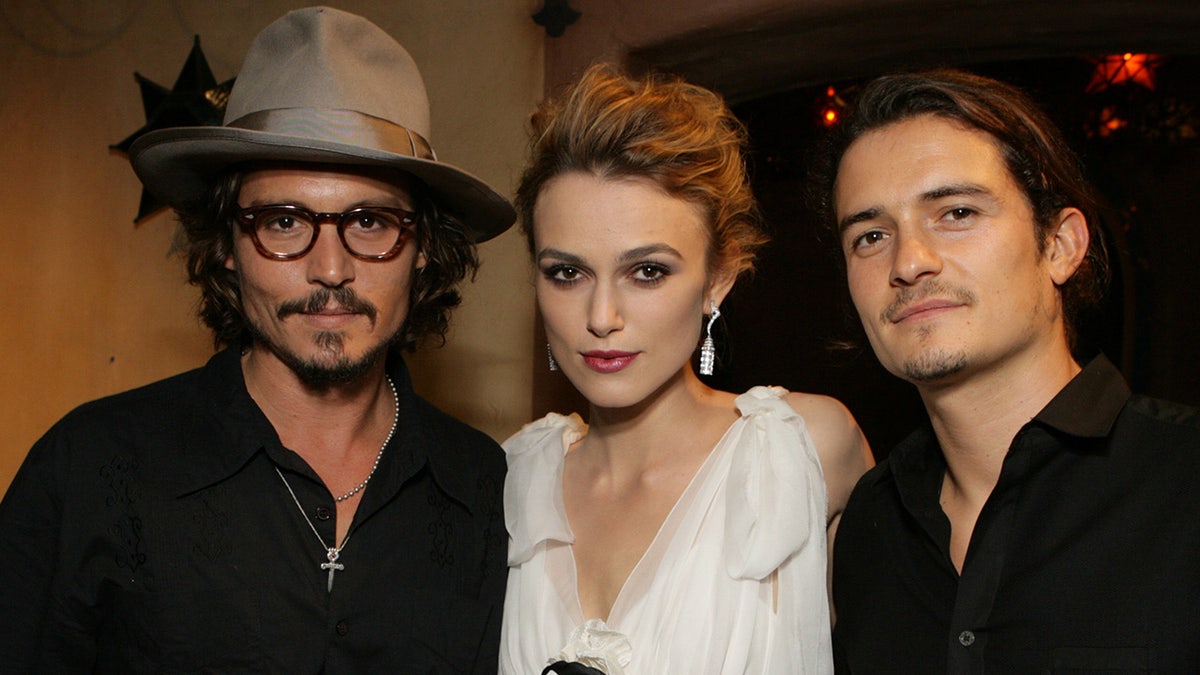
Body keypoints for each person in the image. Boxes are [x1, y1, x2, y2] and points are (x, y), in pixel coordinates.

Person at [0, 7, 513, 673]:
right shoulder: (92, 468)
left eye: (370, 220)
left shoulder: (483, 487)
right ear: (227, 248)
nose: (331, 269)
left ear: (421, 251)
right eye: (282, 220)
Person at [815, 69, 1200, 672]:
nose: (908, 261)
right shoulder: (868, 525)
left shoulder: (1182, 480)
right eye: (869, 235)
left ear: (1061, 245)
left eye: (957, 211)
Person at [499, 63, 873, 675]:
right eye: (567, 273)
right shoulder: (511, 479)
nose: (601, 316)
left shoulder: (804, 449)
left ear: (717, 279)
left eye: (647, 271)